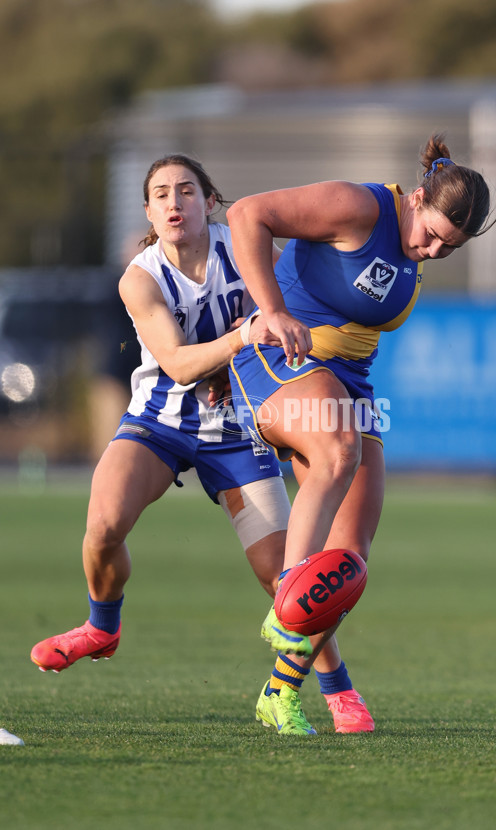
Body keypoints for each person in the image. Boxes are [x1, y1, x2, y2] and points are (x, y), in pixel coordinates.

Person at [29, 154, 367, 736]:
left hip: (236, 430)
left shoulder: (243, 248)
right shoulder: (139, 277)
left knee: (288, 578)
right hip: (159, 422)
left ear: (210, 203)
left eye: (186, 190)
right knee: (104, 523)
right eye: (161, 194)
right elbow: (180, 364)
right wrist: (243, 336)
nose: (173, 202)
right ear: (148, 212)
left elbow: (288, 313)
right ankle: (102, 626)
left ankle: (338, 689)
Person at [226, 134, 494, 733]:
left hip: (351, 381)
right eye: (430, 234)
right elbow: (248, 214)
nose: (430, 250)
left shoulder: (416, 248)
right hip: (282, 358)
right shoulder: (360, 207)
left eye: (448, 249)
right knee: (339, 449)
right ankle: (288, 607)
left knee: (349, 561)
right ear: (418, 197)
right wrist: (270, 309)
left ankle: (282, 690)